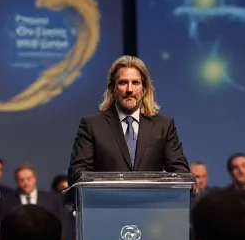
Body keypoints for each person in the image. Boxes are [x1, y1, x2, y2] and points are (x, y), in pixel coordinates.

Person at [67, 55, 190, 185]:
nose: (129, 90)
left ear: (144, 88)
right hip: (107, 203)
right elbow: (77, 173)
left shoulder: (164, 126)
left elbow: (181, 173)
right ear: (112, 89)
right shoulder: (92, 126)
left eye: (135, 83)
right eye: (123, 83)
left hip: (151, 203)